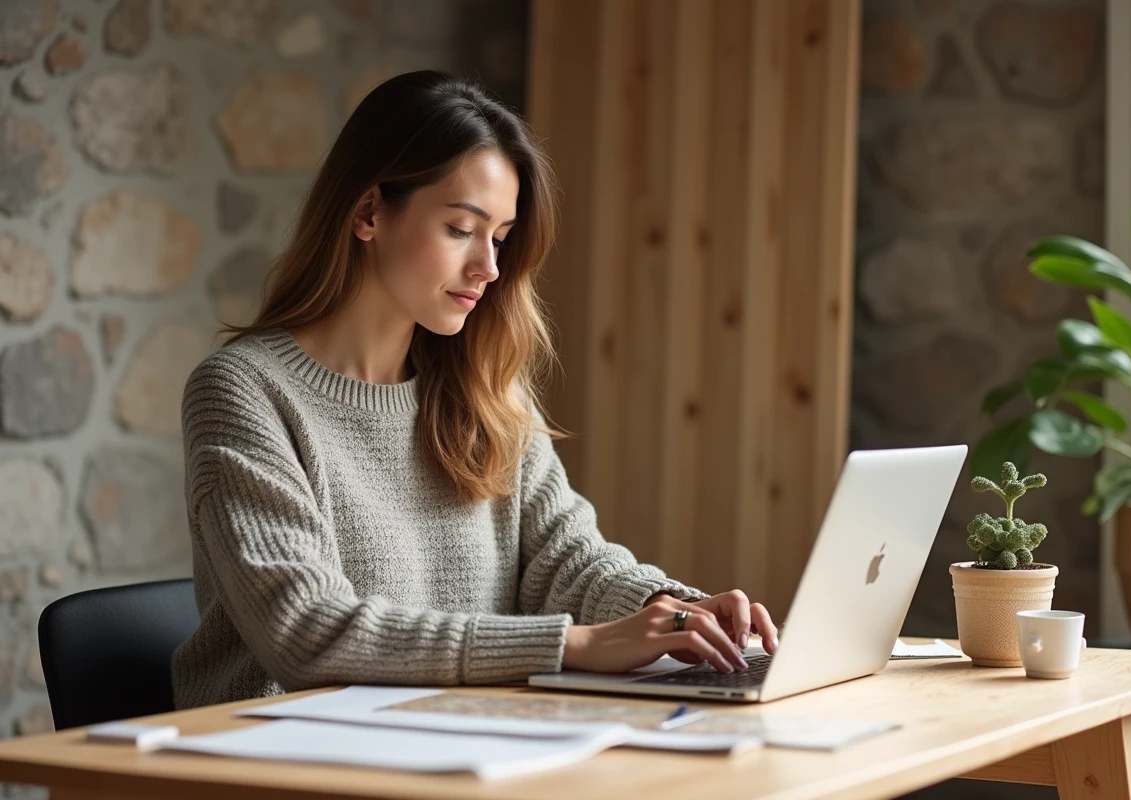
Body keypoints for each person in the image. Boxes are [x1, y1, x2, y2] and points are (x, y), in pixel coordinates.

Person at [172, 70, 778, 710]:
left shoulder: (482, 387)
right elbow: (307, 631)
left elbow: (568, 561)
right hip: (275, 757)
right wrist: (573, 646)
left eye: (500, 238)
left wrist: (676, 612)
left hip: (453, 739)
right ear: (369, 212)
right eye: (462, 229)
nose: (488, 267)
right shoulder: (243, 391)